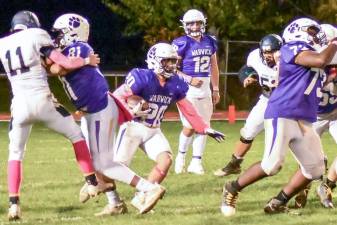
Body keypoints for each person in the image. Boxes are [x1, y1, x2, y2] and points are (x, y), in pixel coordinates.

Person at [50, 13, 167, 215]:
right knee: (90, 156)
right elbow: (56, 67)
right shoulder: (72, 50)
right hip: (92, 111)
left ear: (72, 33)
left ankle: (149, 188)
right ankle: (113, 201)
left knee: (104, 163)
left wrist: (59, 61)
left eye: (61, 33)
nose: (57, 38)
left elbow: (59, 68)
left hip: (99, 110)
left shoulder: (78, 48)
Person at [220, 17, 337, 216]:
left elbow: (321, 73)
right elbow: (320, 60)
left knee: (315, 169)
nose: (316, 36)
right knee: (271, 165)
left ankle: (278, 201)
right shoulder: (291, 48)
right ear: (297, 32)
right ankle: (232, 188)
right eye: (311, 31)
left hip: (303, 118)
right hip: (282, 112)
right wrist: (334, 42)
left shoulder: (310, 53)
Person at [0, 10, 104, 221]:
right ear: (32, 24)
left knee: (15, 153)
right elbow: (64, 62)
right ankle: (92, 183)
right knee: (76, 135)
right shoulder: (36, 35)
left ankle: (13, 205)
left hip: (19, 105)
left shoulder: (3, 43)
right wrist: (86, 61)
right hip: (42, 101)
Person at [112, 42, 225, 211]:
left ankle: (142, 197)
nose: (172, 65)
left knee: (165, 160)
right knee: (116, 167)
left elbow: (187, 107)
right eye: (168, 61)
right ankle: (108, 195)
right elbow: (116, 96)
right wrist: (130, 110)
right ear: (155, 61)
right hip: (133, 127)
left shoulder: (175, 83)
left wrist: (204, 127)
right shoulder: (142, 77)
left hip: (153, 129)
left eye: (173, 61)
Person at [213, 34, 282, 177]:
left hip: (287, 104)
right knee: (248, 131)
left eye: (272, 52)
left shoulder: (291, 60)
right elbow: (246, 69)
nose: (269, 55)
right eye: (266, 52)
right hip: (267, 99)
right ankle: (234, 164)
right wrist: (248, 77)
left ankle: (309, 170)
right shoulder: (255, 57)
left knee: (289, 139)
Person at [172, 9, 220, 175]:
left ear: (203, 23)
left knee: (204, 126)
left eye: (198, 22)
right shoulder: (180, 43)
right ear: (185, 25)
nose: (195, 26)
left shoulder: (210, 41)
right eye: (191, 23)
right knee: (189, 126)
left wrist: (216, 88)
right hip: (187, 89)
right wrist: (189, 79)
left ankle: (196, 162)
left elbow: (214, 66)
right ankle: (181, 156)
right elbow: (172, 69)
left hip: (205, 88)